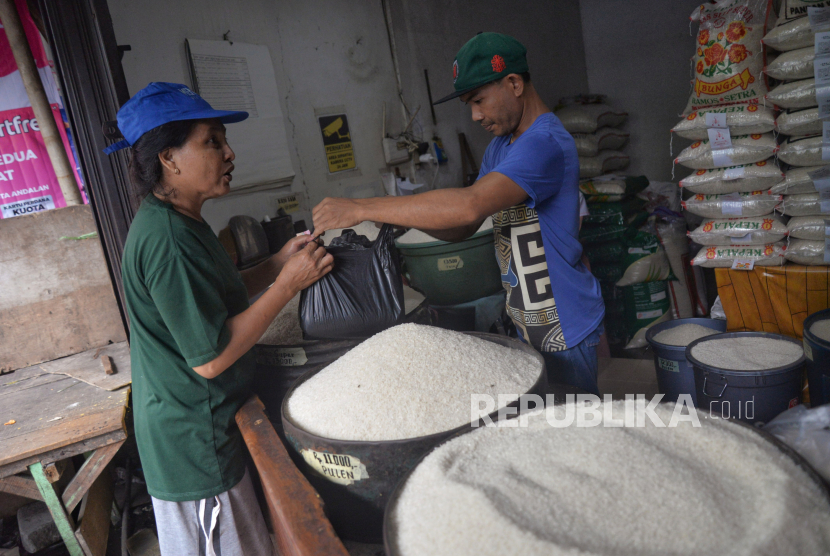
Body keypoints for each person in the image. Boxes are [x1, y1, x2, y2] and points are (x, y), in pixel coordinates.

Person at [106, 82, 333, 556]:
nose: (229, 152)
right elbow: (211, 357)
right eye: (212, 141)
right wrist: (289, 285)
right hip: (195, 448)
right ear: (169, 157)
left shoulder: (182, 220)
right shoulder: (167, 240)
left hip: (203, 427)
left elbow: (216, 296)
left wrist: (275, 265)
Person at [313, 33, 605, 395]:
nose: (475, 115)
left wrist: (361, 207)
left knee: (574, 432)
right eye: (470, 103)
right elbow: (463, 225)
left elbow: (470, 203)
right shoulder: (502, 147)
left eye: (479, 100)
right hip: (529, 322)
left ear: (514, 83)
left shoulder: (544, 143)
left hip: (566, 326)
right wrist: (390, 217)